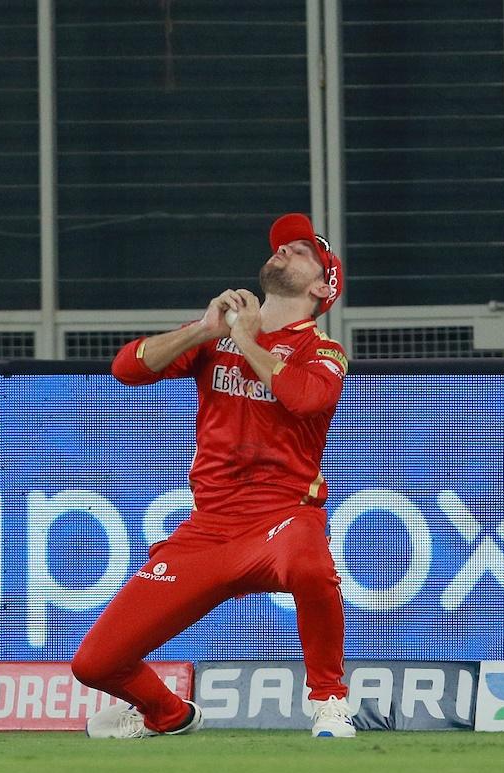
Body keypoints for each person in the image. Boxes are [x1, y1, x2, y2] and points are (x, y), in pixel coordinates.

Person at [71, 213, 355, 739]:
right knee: (94, 663)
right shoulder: (217, 334)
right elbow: (127, 368)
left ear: (322, 285)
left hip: (281, 518)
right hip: (208, 529)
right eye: (281, 246)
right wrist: (204, 330)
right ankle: (169, 714)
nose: (284, 251)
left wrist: (247, 339)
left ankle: (330, 702)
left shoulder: (324, 350)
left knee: (311, 564)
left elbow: (306, 398)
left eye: (300, 250)